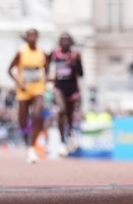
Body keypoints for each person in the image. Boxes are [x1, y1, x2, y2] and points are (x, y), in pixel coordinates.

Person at [8, 28, 48, 164]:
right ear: (27, 37)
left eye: (34, 35)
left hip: (38, 89)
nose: (32, 38)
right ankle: (28, 141)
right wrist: (19, 82)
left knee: (37, 115)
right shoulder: (21, 51)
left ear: (37, 37)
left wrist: (47, 80)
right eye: (30, 35)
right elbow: (9, 70)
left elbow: (46, 69)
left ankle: (32, 146)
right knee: (23, 121)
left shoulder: (41, 52)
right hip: (24, 90)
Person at [50, 32, 84, 155]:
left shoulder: (75, 55)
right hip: (59, 86)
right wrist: (48, 78)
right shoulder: (55, 54)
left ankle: (70, 132)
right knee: (61, 110)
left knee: (69, 115)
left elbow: (81, 74)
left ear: (71, 42)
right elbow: (46, 66)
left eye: (67, 40)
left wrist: (75, 64)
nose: (64, 43)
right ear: (59, 42)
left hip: (72, 87)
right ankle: (61, 142)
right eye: (62, 40)